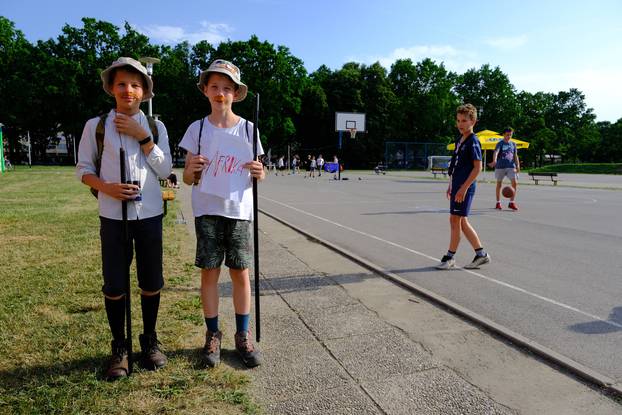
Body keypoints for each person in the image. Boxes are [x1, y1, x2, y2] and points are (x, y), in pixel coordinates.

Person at [76, 57, 172, 379]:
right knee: (115, 284)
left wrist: (142, 137)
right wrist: (107, 187)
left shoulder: (157, 127)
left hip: (149, 215)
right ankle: (119, 346)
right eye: (121, 84)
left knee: (150, 281)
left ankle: (149, 339)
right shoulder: (96, 126)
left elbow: (165, 170)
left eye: (135, 84)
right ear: (111, 88)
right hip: (113, 216)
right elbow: (84, 169)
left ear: (144, 91)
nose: (128, 90)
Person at [180, 59, 265, 368]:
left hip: (239, 211)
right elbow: (188, 178)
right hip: (207, 209)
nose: (220, 93)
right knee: (210, 273)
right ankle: (213, 333)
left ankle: (243, 335)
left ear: (235, 93)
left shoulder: (248, 129)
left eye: (227, 88)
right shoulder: (197, 129)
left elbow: (260, 173)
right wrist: (192, 169)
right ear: (205, 91)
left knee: (240, 273)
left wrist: (259, 170)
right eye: (214, 87)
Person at [436, 104, 490, 270]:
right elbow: (457, 165)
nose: (461, 124)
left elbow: (477, 167)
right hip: (457, 186)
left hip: (464, 187)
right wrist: (451, 185)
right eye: (458, 120)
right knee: (462, 221)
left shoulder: (473, 141)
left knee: (455, 220)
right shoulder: (460, 140)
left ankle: (450, 257)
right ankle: (481, 255)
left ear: (473, 121)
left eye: (464, 121)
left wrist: (464, 188)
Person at [489, 127, 520, 210]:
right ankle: (498, 203)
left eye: (510, 135)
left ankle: (511, 203)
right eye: (507, 135)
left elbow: (515, 155)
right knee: (499, 184)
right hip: (500, 167)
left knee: (515, 183)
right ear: (503, 135)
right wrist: (494, 160)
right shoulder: (500, 143)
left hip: (511, 166)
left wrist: (518, 165)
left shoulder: (513, 144)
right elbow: (496, 152)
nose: (509, 136)